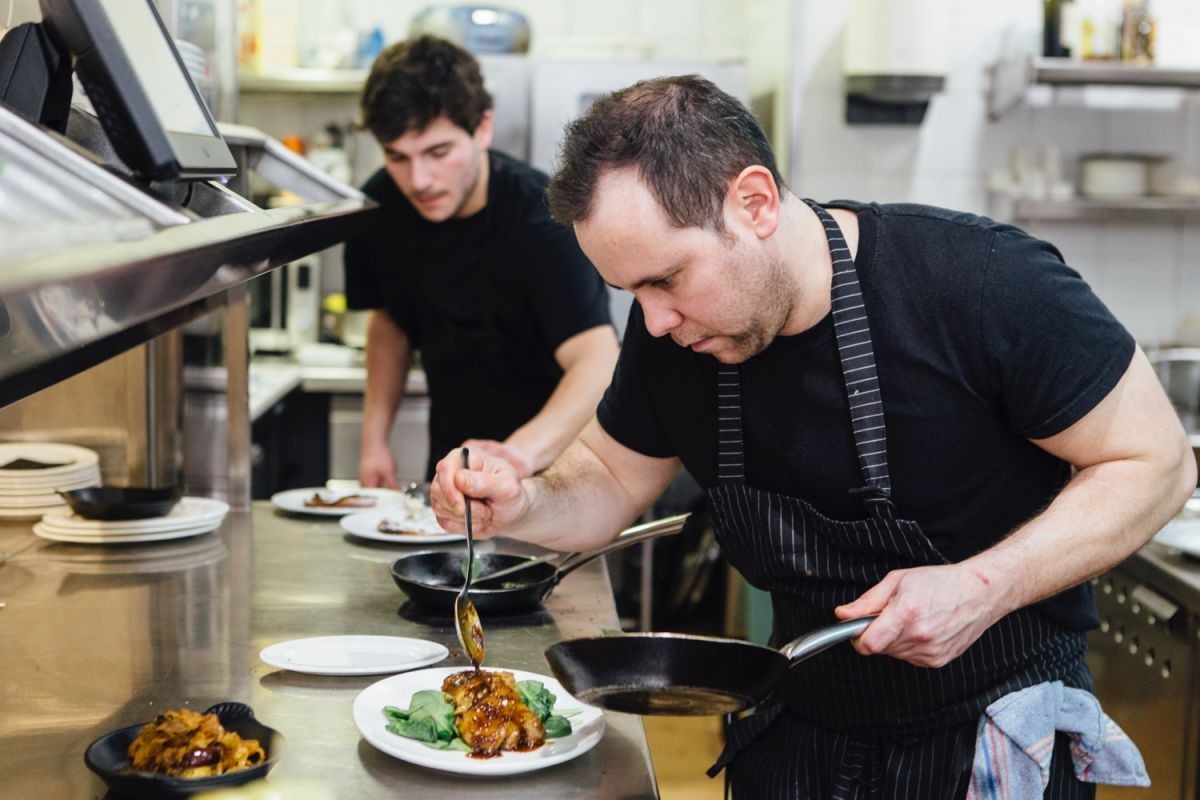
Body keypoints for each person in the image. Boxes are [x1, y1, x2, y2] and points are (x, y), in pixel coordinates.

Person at [429, 75, 1196, 798]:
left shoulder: (982, 284)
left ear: (755, 202)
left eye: (665, 280)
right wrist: (521, 501)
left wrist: (980, 587)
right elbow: (605, 479)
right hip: (801, 735)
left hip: (992, 737)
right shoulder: (673, 341)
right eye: (631, 293)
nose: (654, 321)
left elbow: (1158, 463)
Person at [344, 35, 619, 484]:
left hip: (561, 472)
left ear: (482, 129)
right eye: (397, 157)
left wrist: (515, 457)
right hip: (457, 469)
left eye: (438, 153)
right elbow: (390, 323)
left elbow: (597, 361)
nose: (419, 180)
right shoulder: (381, 208)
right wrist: (374, 441)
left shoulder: (541, 218)